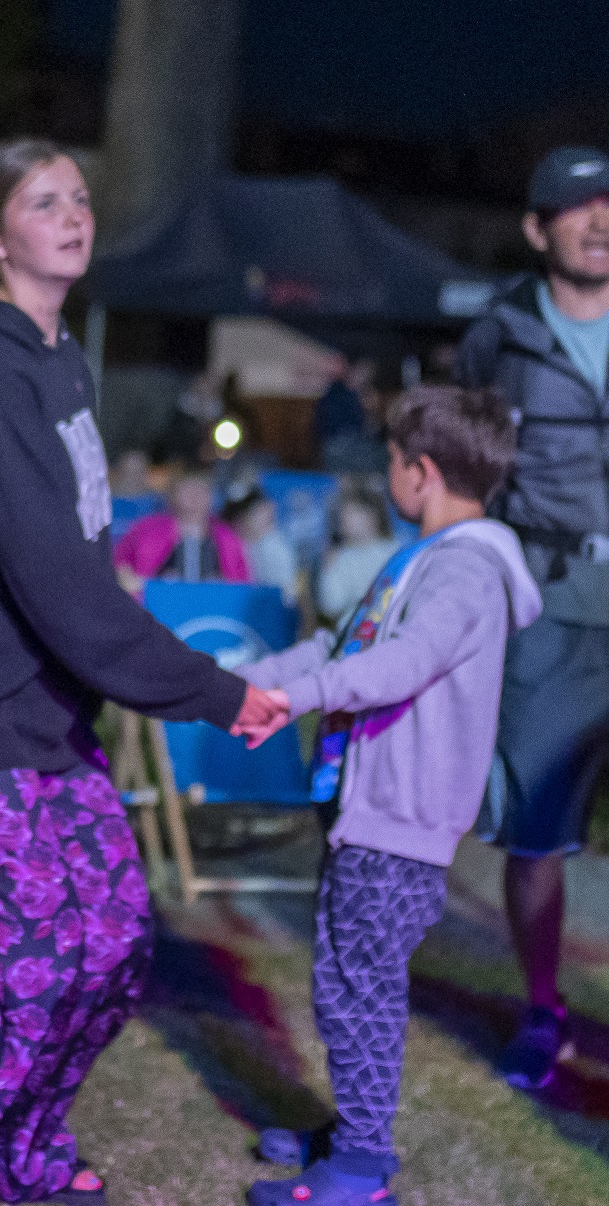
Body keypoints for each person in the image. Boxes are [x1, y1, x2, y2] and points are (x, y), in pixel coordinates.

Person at [0, 137, 283, 1206]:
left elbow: (80, 558)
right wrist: (214, 691)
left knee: (112, 949)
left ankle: (22, 1148)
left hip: (49, 710)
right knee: (23, 982)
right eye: (42, 201)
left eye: (79, 197)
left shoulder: (59, 361)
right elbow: (58, 583)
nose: (72, 215)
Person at [235, 386, 538, 1206]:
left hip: (399, 822)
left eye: (395, 461)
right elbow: (340, 647)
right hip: (369, 812)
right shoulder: (422, 561)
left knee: (358, 990)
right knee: (347, 982)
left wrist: (297, 699)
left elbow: (400, 665)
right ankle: (355, 1132)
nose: (390, 474)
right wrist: (244, 685)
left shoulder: (463, 572)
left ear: (422, 471)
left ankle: (362, 1167)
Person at [456, 145, 609, 1091]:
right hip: (550, 599)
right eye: (578, 207)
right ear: (536, 228)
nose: (601, 221)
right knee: (537, 827)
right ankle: (544, 1009)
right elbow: (464, 464)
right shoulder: (499, 336)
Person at [113, 470, 252, 586]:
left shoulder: (227, 537)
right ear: (172, 496)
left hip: (212, 607)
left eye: (201, 490)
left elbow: (242, 583)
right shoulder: (146, 530)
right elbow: (120, 564)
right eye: (187, 490)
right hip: (157, 604)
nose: (195, 497)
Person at [315, 488, 399, 622]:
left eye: (351, 512)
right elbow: (331, 606)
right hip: (353, 630)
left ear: (371, 515)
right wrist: (327, 570)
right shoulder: (341, 556)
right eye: (343, 513)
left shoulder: (395, 551)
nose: (343, 519)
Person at [225, 488, 301, 603]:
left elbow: (288, 593)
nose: (267, 513)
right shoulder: (232, 545)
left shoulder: (275, 544)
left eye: (262, 509)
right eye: (255, 512)